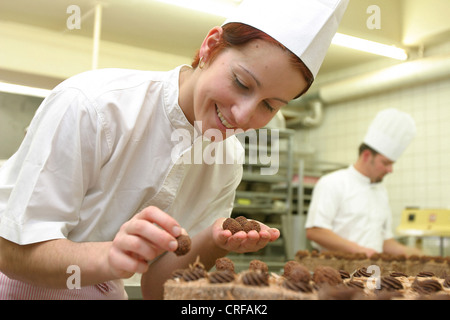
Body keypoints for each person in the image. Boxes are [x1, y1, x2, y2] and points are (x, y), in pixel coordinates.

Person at [0, 0, 348, 299]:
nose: (244, 116)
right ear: (210, 47)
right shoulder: (94, 106)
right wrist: (109, 258)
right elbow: (11, 251)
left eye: (269, 105)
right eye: (241, 83)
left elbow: (156, 289)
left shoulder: (227, 160)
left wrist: (213, 240)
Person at [305, 108, 423, 258]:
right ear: (367, 156)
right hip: (337, 273)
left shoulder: (380, 191)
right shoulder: (332, 183)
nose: (390, 169)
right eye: (386, 163)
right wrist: (361, 251)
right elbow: (315, 231)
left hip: (372, 272)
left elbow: (385, 241)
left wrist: (411, 253)